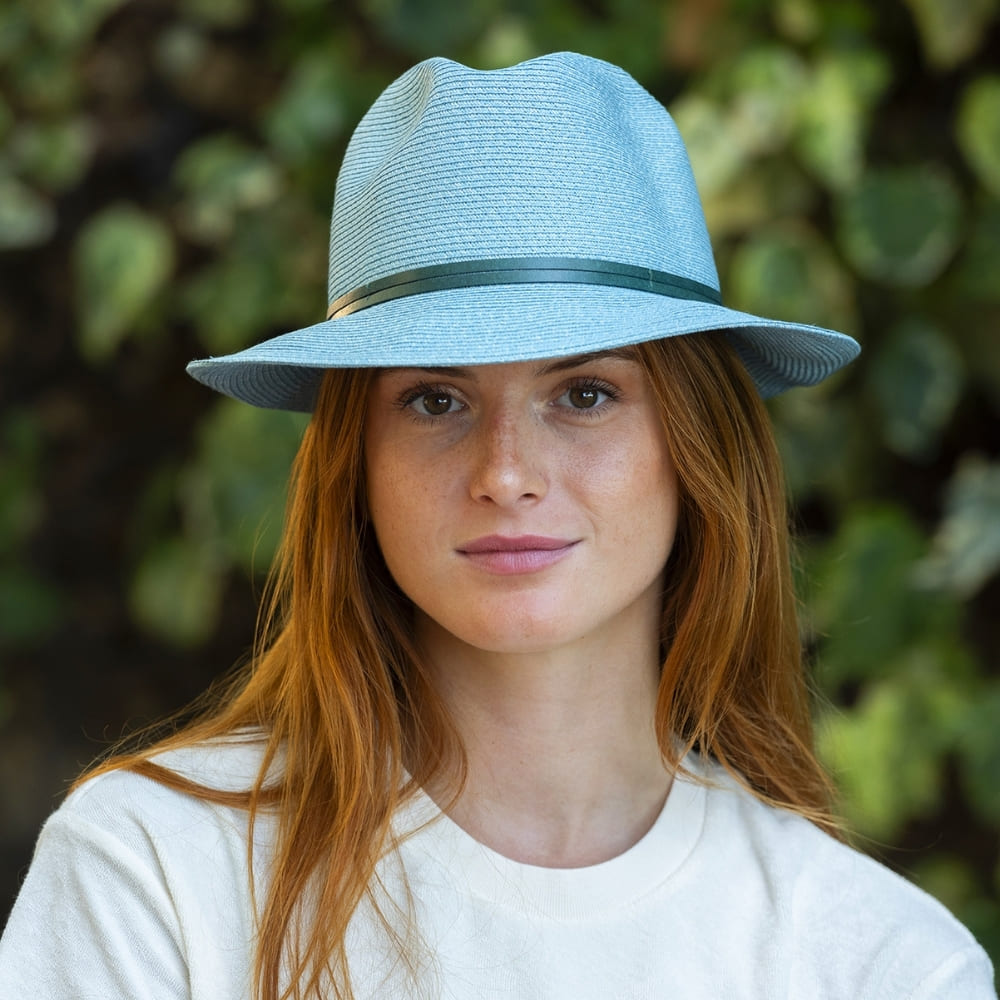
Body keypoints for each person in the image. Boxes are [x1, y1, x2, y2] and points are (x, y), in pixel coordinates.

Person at [0, 51, 994, 1000]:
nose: (507, 473)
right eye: (435, 400)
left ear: (698, 446)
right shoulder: (150, 875)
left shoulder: (877, 963)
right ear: (357, 464)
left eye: (586, 394)